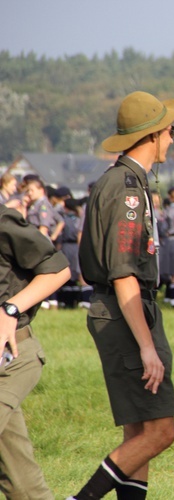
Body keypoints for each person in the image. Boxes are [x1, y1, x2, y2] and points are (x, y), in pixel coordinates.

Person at [71, 90, 174, 500]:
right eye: (170, 130)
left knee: (139, 430)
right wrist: (147, 347)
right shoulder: (128, 189)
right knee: (160, 431)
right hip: (125, 313)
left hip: (120, 311)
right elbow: (122, 274)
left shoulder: (124, 180)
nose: (173, 138)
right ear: (153, 135)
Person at [0, 203, 70, 499]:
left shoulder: (2, 221)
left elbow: (58, 269)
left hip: (10, 358)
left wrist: (10, 309)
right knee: (23, 484)